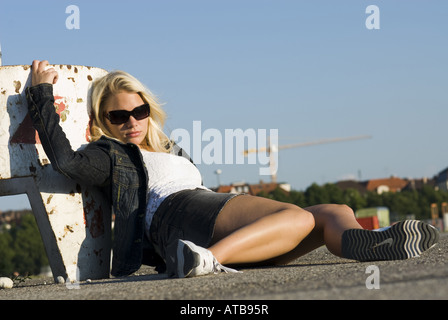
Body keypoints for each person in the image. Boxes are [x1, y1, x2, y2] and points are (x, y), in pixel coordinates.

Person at [25, 60, 439, 278]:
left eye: (140, 110)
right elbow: (65, 161)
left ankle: (361, 243)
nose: (132, 121)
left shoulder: (172, 149)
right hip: (180, 215)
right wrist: (42, 94)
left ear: (150, 110)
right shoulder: (110, 155)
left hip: (206, 214)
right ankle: (203, 260)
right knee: (295, 217)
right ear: (104, 122)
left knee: (331, 213)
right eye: (119, 116)